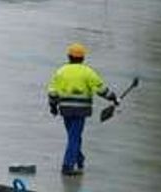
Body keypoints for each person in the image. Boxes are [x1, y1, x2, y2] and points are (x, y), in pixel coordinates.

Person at [47, 43, 117, 176]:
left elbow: (52, 92)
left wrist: (53, 106)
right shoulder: (88, 72)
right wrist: (112, 97)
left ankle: (78, 158)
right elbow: (100, 89)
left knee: (73, 136)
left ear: (69, 56)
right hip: (81, 110)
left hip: (65, 109)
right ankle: (68, 166)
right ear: (83, 58)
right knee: (74, 136)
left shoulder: (61, 71)